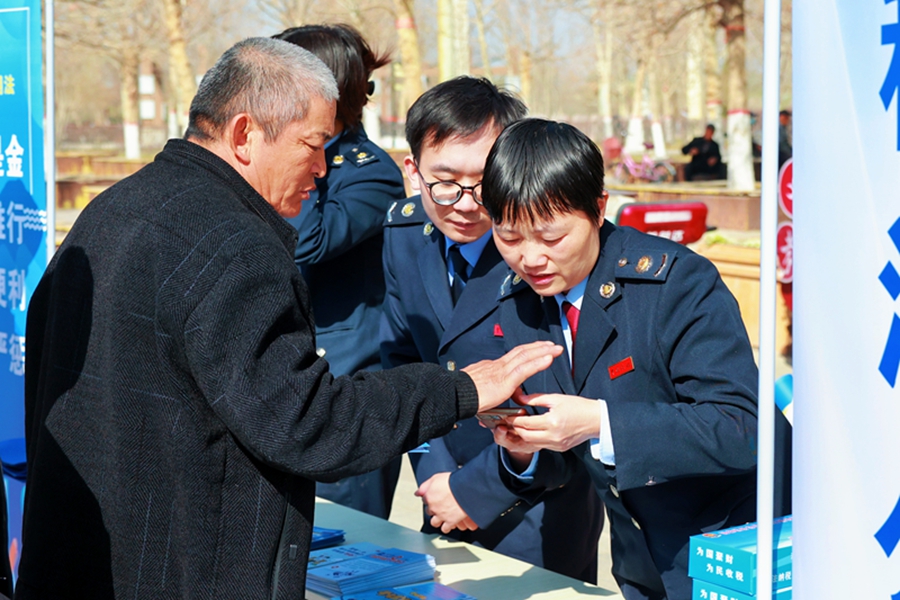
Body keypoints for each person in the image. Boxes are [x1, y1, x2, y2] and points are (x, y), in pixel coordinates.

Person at [16, 39, 561, 599]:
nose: (323, 169)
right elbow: (307, 423)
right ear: (245, 134)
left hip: (86, 557)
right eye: (313, 145)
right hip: (178, 569)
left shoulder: (114, 209)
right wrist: (461, 391)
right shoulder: (235, 245)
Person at [482, 118, 759, 599]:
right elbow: (567, 461)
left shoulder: (674, 284)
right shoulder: (522, 302)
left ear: (598, 208)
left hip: (728, 550)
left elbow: (741, 426)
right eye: (508, 237)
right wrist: (524, 448)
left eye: (550, 238)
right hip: (638, 562)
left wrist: (600, 423)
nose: (530, 259)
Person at [380, 78, 604, 582]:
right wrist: (437, 475)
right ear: (413, 171)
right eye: (445, 181)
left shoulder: (544, 259)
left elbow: (571, 397)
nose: (463, 203)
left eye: (483, 184)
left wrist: (473, 491)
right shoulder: (403, 236)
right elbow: (403, 360)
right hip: (440, 490)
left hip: (536, 504)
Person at [272, 24, 407, 520]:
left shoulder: (370, 171)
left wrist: (300, 154)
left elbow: (307, 242)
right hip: (283, 385)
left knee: (345, 556)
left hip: (347, 395)